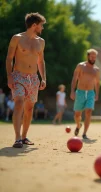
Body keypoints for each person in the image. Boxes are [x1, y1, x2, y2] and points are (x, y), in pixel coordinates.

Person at [6, 12, 46, 148]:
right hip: (18, 75)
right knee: (19, 103)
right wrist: (9, 76)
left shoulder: (41, 42)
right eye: (41, 25)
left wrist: (43, 78)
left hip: (33, 78)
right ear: (34, 25)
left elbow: (41, 61)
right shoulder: (17, 38)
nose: (42, 28)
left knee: (29, 108)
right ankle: (17, 138)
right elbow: (9, 58)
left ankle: (24, 137)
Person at [70, 49, 100, 139]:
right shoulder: (80, 66)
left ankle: (84, 134)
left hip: (91, 92)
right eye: (91, 56)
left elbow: (97, 83)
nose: (93, 58)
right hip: (80, 92)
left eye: (95, 57)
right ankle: (78, 125)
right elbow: (74, 79)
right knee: (77, 115)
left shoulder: (96, 70)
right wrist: (72, 91)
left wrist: (97, 94)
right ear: (88, 56)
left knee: (89, 111)